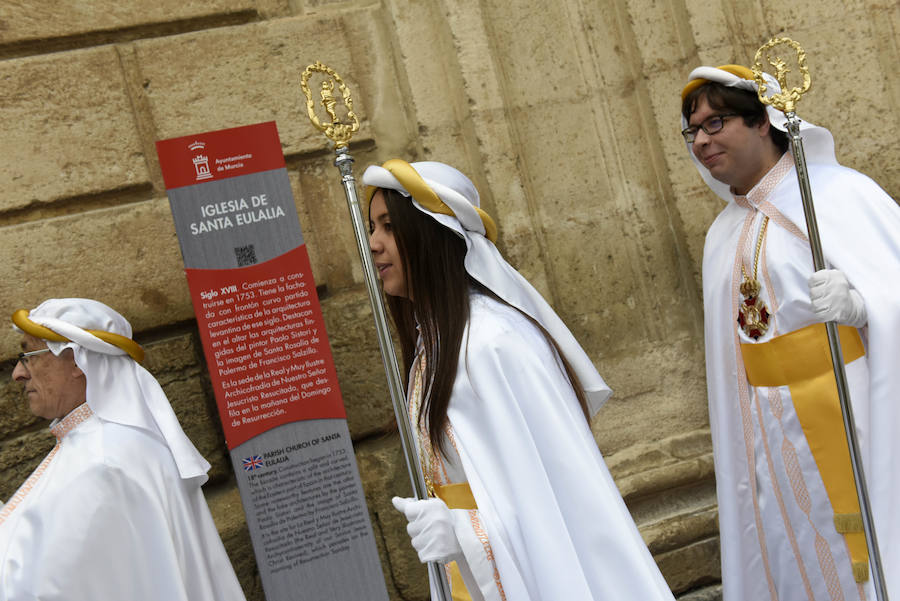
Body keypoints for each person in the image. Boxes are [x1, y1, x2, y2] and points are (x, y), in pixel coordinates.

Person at [362, 159, 675, 601]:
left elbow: (552, 500)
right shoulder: (433, 346)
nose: (373, 244)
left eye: (389, 226)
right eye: (371, 227)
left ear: (431, 234)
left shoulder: (493, 343)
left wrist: (464, 533)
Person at [681, 65, 900, 600]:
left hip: (852, 414)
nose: (702, 140)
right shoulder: (722, 234)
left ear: (764, 123)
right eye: (693, 131)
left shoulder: (841, 195)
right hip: (767, 439)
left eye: (717, 121)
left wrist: (863, 306)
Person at [0, 298, 246, 601]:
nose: (18, 374)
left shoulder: (103, 462)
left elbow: (43, 590)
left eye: (29, 356)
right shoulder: (112, 443)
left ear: (76, 361)